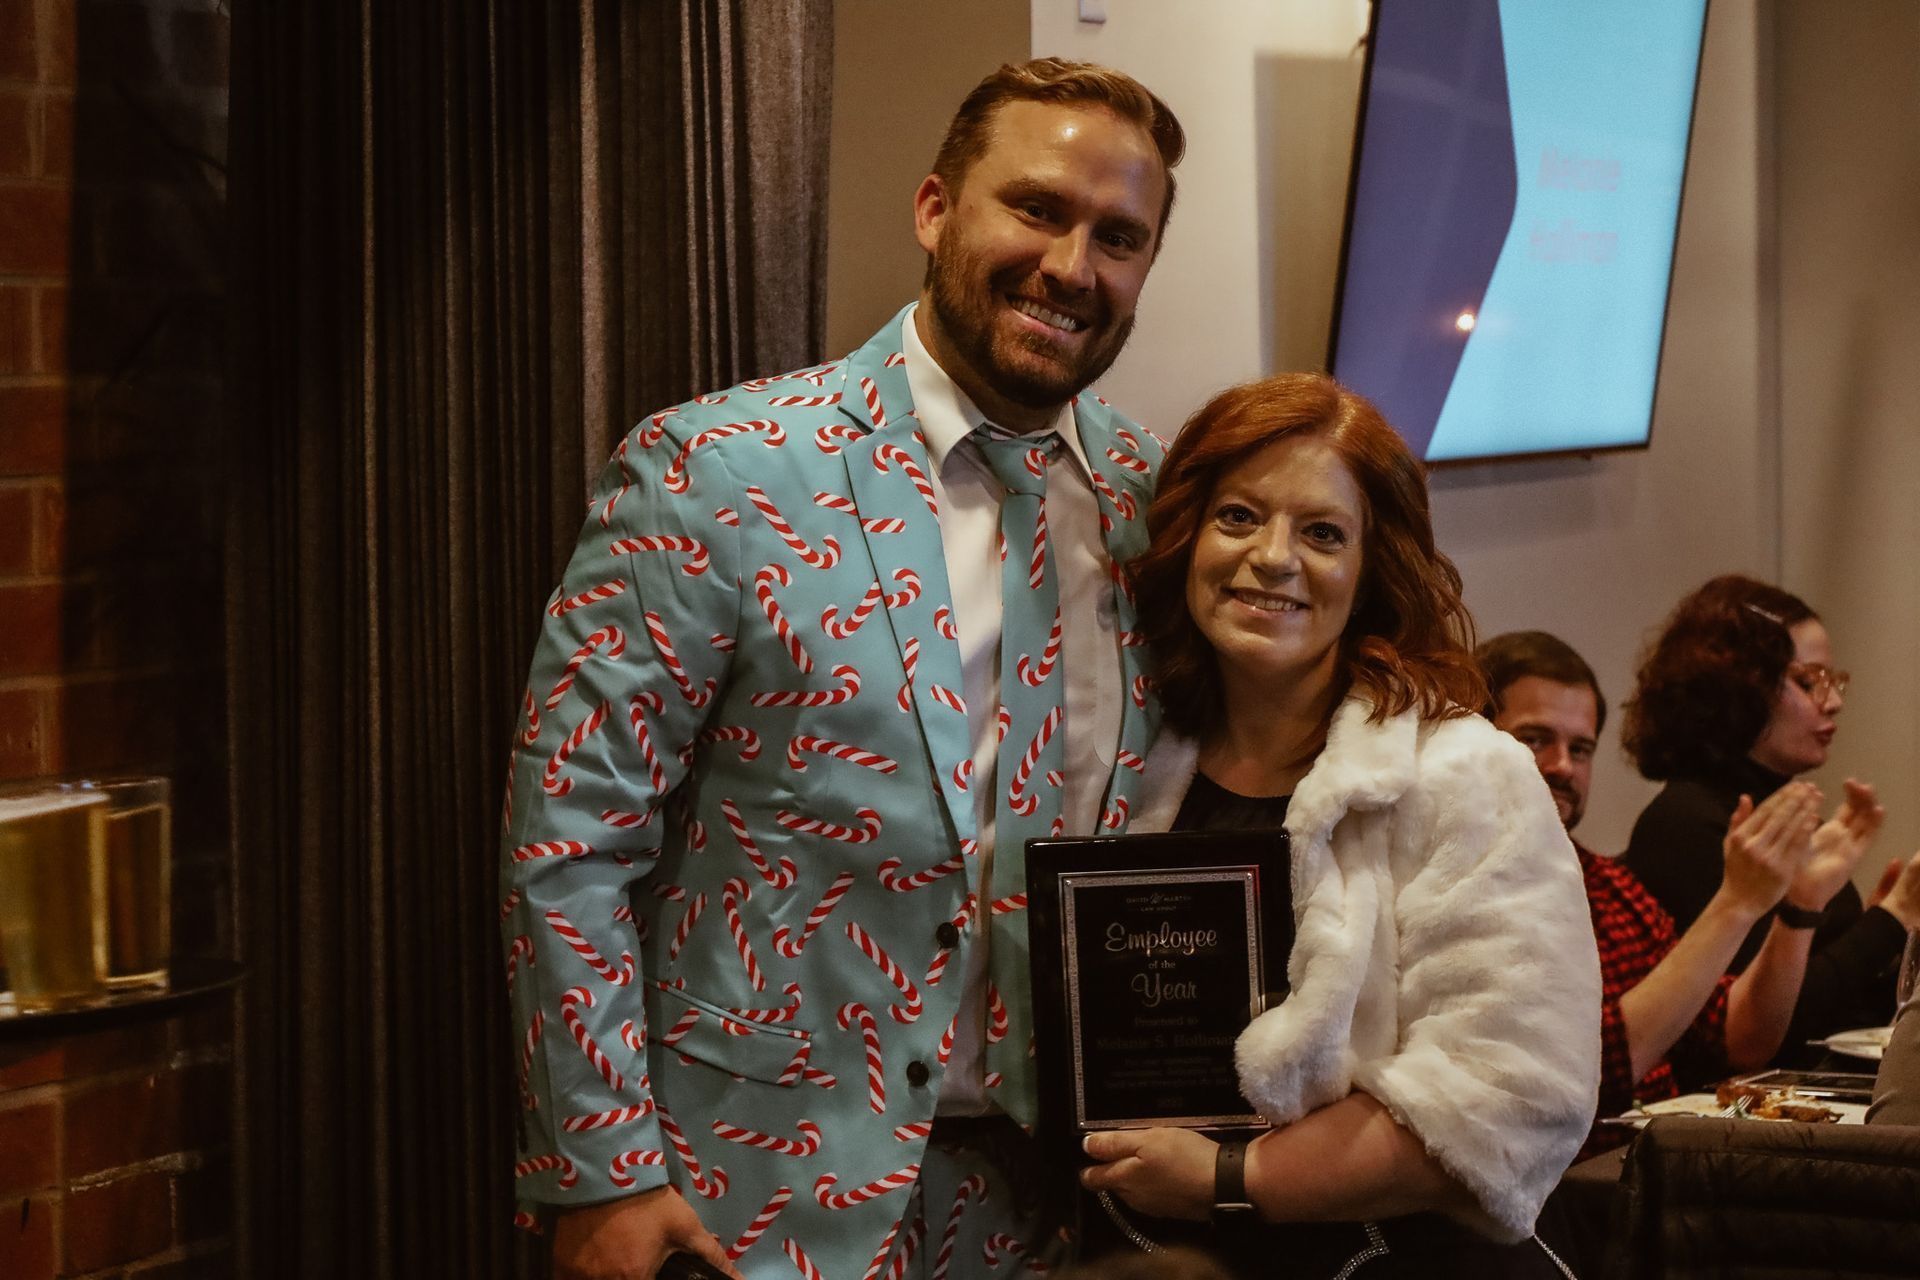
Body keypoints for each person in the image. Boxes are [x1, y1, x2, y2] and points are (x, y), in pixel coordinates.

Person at [500, 58, 1185, 1280]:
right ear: (935, 208)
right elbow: (571, 837)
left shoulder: (1160, 506)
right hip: (738, 1200)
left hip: (1048, 1212)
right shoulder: (720, 470)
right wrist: (602, 1168)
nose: (1072, 265)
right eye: (1035, 208)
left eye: (1118, 237)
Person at [1079, 375, 1599, 1278]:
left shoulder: (1467, 773)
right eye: (1239, 516)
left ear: (1371, 572)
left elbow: (1511, 1099)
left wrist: (1232, 1179)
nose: (1273, 557)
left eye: (1323, 533)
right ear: (1187, 538)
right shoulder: (1121, 763)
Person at [1476, 630, 1864, 1152]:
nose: (1563, 765)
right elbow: (1583, 1073)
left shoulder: (1613, 889)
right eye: (1535, 740)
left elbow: (1740, 1038)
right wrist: (1736, 903)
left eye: (1581, 748)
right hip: (1573, 1183)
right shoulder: (1467, 888)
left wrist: (1799, 908)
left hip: (1662, 1168)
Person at [1620, 576, 1920, 1062]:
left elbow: (1844, 1014)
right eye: (1809, 682)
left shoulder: (1780, 809)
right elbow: (1766, 1028)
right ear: (1736, 687)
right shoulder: (1684, 823)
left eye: (1834, 681)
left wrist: (1892, 941)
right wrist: (1893, 918)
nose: (1834, 702)